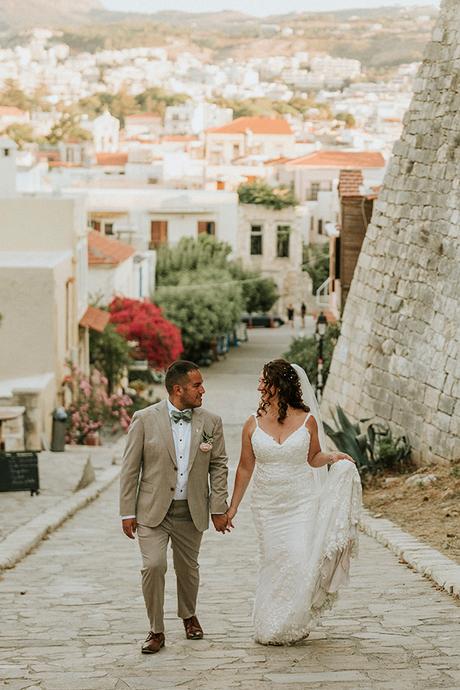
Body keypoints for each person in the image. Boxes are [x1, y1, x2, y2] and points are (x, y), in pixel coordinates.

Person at [227, 359, 362, 645]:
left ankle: (293, 621)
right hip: (267, 505)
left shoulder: (308, 419)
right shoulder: (252, 423)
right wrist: (233, 507)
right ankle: (269, 622)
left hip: (301, 502)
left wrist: (333, 457)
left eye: (265, 380)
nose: (259, 386)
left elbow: (313, 457)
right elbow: (244, 467)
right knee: (275, 561)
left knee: (299, 558)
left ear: (280, 385)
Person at [119, 360, 229, 654]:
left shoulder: (211, 422)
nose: (203, 390)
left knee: (188, 569)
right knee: (153, 566)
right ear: (177, 389)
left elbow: (218, 465)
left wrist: (218, 507)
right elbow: (130, 468)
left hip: (190, 510)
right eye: (197, 385)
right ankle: (156, 630)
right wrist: (127, 512)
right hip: (152, 511)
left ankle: (188, 615)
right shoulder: (144, 418)